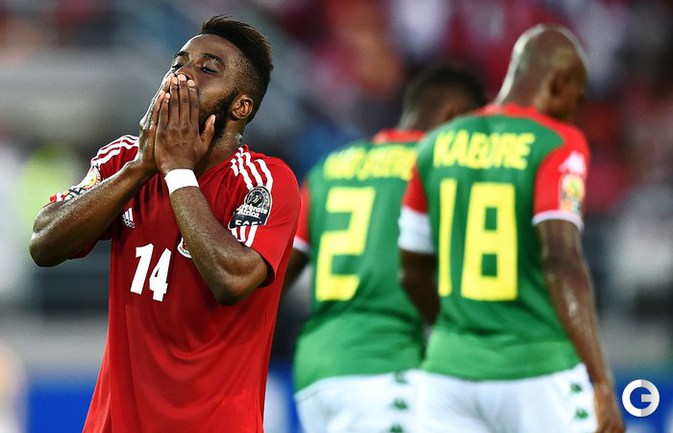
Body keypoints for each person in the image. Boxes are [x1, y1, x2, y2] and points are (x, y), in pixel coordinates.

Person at [29, 16, 300, 433]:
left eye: (207, 69)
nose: (182, 75)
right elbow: (44, 243)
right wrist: (142, 167)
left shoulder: (263, 181)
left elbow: (233, 280)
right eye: (178, 63)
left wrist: (177, 172)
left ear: (240, 106)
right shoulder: (124, 159)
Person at [398, 24, 625, 433]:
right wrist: (601, 380)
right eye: (577, 99)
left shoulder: (434, 144)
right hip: (536, 369)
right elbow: (561, 260)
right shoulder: (557, 142)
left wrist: (459, 330)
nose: (575, 111)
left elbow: (411, 271)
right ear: (559, 83)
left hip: (447, 375)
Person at [283, 64, 486, 433]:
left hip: (316, 373)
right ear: (454, 116)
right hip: (387, 366)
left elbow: (278, 274)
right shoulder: (440, 169)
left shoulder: (329, 169)